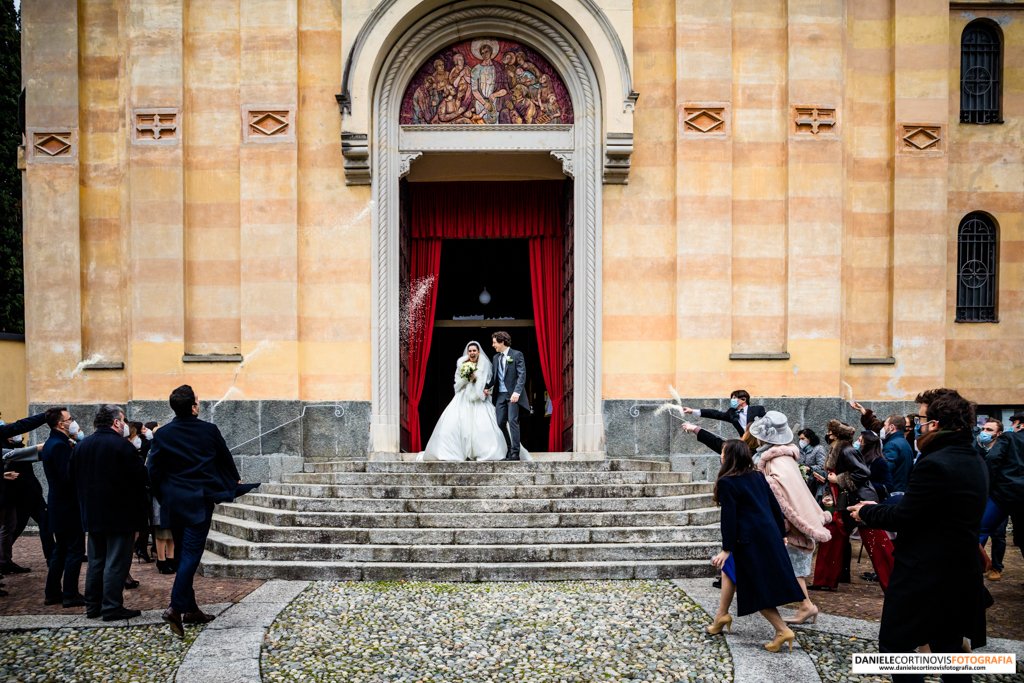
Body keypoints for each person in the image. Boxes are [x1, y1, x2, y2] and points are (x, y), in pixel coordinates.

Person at [850, 388, 988, 680]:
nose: (916, 425)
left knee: (896, 646)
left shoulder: (936, 462)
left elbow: (906, 516)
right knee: (947, 647)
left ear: (935, 424)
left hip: (927, 571)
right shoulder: (972, 457)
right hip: (959, 569)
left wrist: (867, 511)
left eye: (921, 418)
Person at [148, 384, 247, 638]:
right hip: (198, 502)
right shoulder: (208, 430)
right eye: (198, 401)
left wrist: (164, 496)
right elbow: (224, 460)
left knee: (183, 555)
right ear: (193, 407)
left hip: (173, 503)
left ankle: (191, 610)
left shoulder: (163, 434)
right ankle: (176, 607)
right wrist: (233, 481)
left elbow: (154, 472)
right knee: (191, 555)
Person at [705, 439, 806, 653]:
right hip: (767, 535)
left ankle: (782, 630)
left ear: (730, 456)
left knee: (756, 587)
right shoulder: (757, 476)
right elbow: (774, 507)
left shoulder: (727, 482)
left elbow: (729, 519)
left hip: (748, 541)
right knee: (730, 572)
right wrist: (780, 534)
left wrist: (726, 549)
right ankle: (720, 616)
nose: (721, 455)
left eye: (723, 452)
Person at [748, 412, 832, 625]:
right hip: (788, 521)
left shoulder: (775, 460)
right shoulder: (781, 457)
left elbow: (779, 493)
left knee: (791, 567)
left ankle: (806, 606)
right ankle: (805, 606)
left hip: (787, 522)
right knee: (791, 567)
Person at [73, 404, 146, 621]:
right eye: (122, 421)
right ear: (116, 422)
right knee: (116, 561)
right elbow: (139, 478)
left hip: (92, 513)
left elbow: (72, 476)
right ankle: (112, 606)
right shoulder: (122, 447)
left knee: (96, 561)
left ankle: (93, 606)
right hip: (119, 514)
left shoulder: (82, 445)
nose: (124, 425)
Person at [419, 341, 527, 462]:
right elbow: (457, 383)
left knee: (487, 426)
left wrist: (486, 390)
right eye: (470, 351)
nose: (472, 353)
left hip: (480, 398)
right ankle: (459, 452)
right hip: (463, 397)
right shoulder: (462, 364)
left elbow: (491, 380)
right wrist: (468, 379)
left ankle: (499, 451)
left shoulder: (486, 364)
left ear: (478, 352)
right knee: (455, 425)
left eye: (474, 350)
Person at [40, 407, 85, 607]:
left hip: (60, 506)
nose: (72, 422)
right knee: (74, 550)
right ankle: (70, 593)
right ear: (61, 424)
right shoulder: (59, 446)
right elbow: (68, 477)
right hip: (67, 506)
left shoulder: (55, 443)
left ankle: (52, 592)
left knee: (61, 550)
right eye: (69, 419)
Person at [809, 420, 860, 591]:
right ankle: (824, 579)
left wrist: (837, 480)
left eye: (831, 431)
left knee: (835, 539)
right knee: (830, 539)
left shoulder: (846, 450)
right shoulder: (838, 448)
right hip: (834, 498)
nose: (828, 434)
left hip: (841, 502)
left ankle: (828, 580)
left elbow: (861, 474)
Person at [978, 414, 1024, 581]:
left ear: (1019, 424)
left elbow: (993, 458)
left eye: (1014, 423)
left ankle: (972, 571)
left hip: (1003, 494)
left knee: (982, 530)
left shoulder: (1009, 437)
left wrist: (990, 485)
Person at [0, 412, 47, 575]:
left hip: (15, 497)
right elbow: (9, 454)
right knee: (10, 527)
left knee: (11, 526)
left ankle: (4, 561)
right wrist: (38, 449)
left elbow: (20, 426)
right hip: (15, 496)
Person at [853, 431, 895, 590]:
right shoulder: (860, 459)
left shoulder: (878, 462)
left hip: (872, 504)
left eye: (860, 440)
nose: (858, 442)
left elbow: (887, 485)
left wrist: (866, 484)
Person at [487, 331, 531, 461]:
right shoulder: (495, 358)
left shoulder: (517, 355)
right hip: (500, 395)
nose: (493, 345)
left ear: (502, 342)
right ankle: (509, 447)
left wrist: (517, 392)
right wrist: (486, 387)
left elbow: (522, 375)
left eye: (495, 342)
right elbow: (495, 378)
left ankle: (515, 453)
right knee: (500, 422)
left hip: (513, 395)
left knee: (512, 421)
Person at [974, 419, 1006, 580]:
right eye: (984, 428)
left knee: (999, 533)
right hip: (983, 497)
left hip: (998, 497)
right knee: (981, 531)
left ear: (998, 434)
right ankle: (979, 564)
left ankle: (996, 567)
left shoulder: (1003, 450)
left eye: (989, 429)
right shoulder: (978, 448)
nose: (985, 432)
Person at [681, 390, 766, 436]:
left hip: (761, 442)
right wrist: (692, 411)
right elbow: (715, 414)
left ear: (743, 399)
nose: (732, 400)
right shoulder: (731, 413)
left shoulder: (758, 409)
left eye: (734, 398)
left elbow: (768, 423)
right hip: (746, 444)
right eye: (732, 398)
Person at [880, 413, 913, 494]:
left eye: (885, 425)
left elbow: (886, 470)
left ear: (891, 427)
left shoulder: (892, 445)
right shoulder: (904, 442)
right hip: (902, 488)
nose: (883, 429)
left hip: (894, 490)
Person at [796, 428, 827, 496]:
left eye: (803, 438)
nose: (800, 441)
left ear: (810, 438)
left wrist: (810, 468)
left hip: (814, 482)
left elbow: (822, 465)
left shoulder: (818, 449)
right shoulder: (800, 450)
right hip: (802, 482)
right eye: (800, 439)